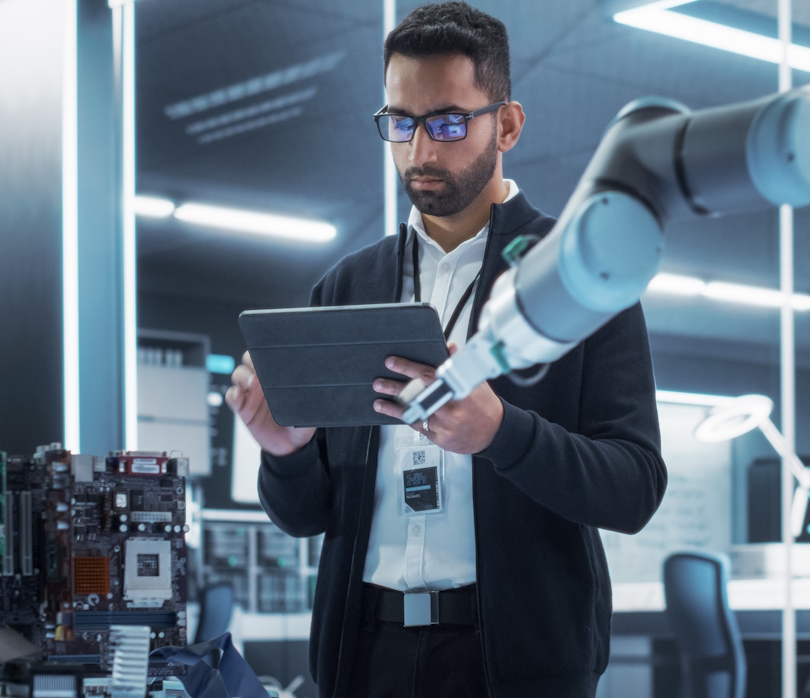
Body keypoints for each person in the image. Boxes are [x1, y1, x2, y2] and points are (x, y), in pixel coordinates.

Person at [225, 3, 666, 696]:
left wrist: (502, 433)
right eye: (401, 123)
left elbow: (635, 487)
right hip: (364, 655)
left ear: (508, 125)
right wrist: (285, 454)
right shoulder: (348, 286)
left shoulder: (577, 275)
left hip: (519, 662)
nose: (421, 151)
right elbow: (307, 516)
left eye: (449, 122)